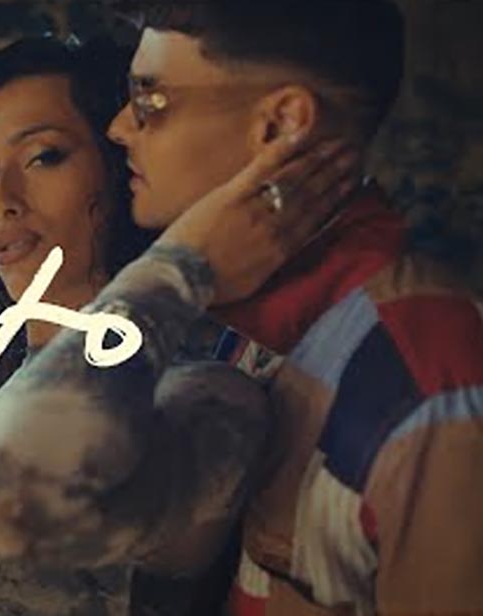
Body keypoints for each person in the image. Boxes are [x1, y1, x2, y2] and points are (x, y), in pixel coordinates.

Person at [0, 36, 358, 614]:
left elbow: (0, 504)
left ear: (122, 167)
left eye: (44, 156)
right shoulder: (13, 386)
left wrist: (185, 263)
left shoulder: (204, 397)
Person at [101, 2, 483, 614]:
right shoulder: (237, 320)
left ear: (280, 125)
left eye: (148, 99)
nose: (120, 127)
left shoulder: (428, 388)